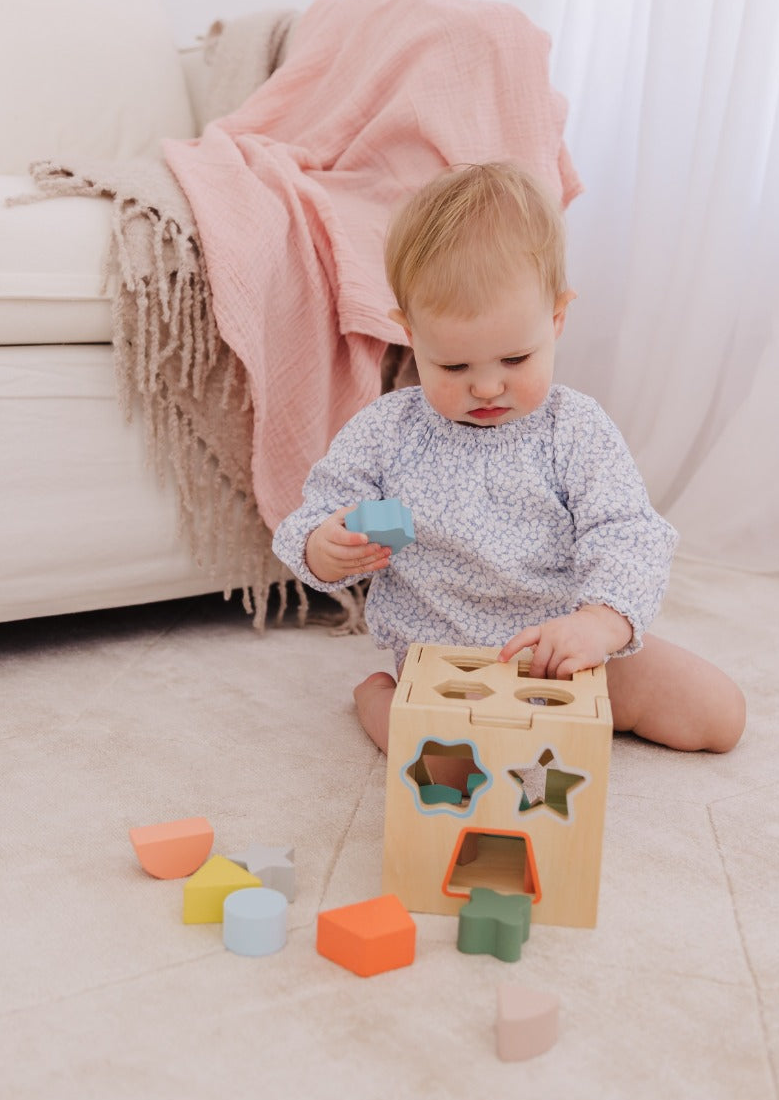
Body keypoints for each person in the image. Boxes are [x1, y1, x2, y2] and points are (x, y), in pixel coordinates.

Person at [272, 162, 745, 754]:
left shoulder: (574, 429)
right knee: (433, 756)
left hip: (562, 651)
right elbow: (316, 511)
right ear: (411, 335)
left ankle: (580, 683)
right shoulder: (388, 431)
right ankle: (378, 696)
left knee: (719, 716)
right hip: (446, 664)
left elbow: (627, 532)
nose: (488, 388)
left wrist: (599, 624)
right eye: (455, 367)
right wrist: (325, 545)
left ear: (556, 319)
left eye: (515, 360)